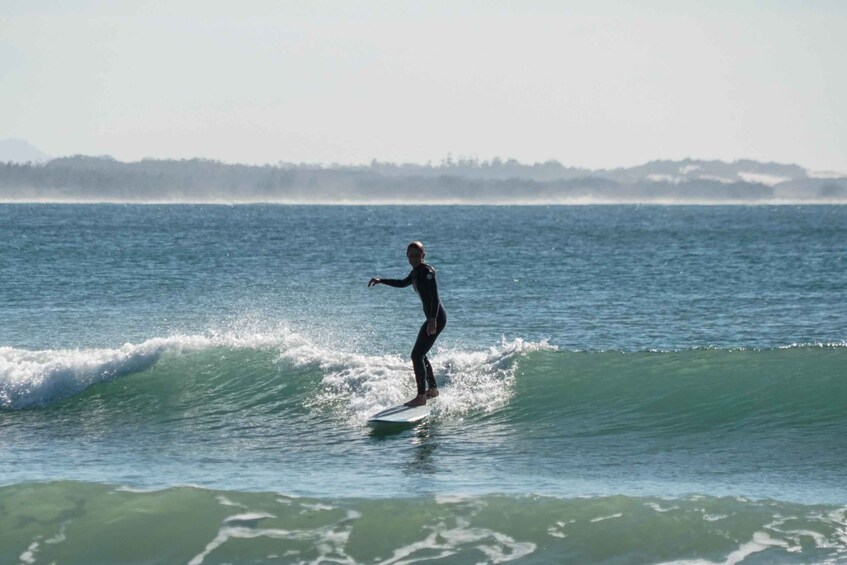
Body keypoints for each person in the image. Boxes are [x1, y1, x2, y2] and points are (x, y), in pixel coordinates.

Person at [368, 241, 447, 407]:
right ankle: (432, 389)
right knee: (420, 354)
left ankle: (421, 397)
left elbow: (434, 295)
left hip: (436, 318)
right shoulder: (415, 272)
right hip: (432, 318)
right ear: (407, 256)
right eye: (411, 256)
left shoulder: (427, 272)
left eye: (417, 255)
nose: (414, 258)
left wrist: (432, 319)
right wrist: (381, 280)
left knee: (416, 355)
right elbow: (402, 283)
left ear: (423, 256)